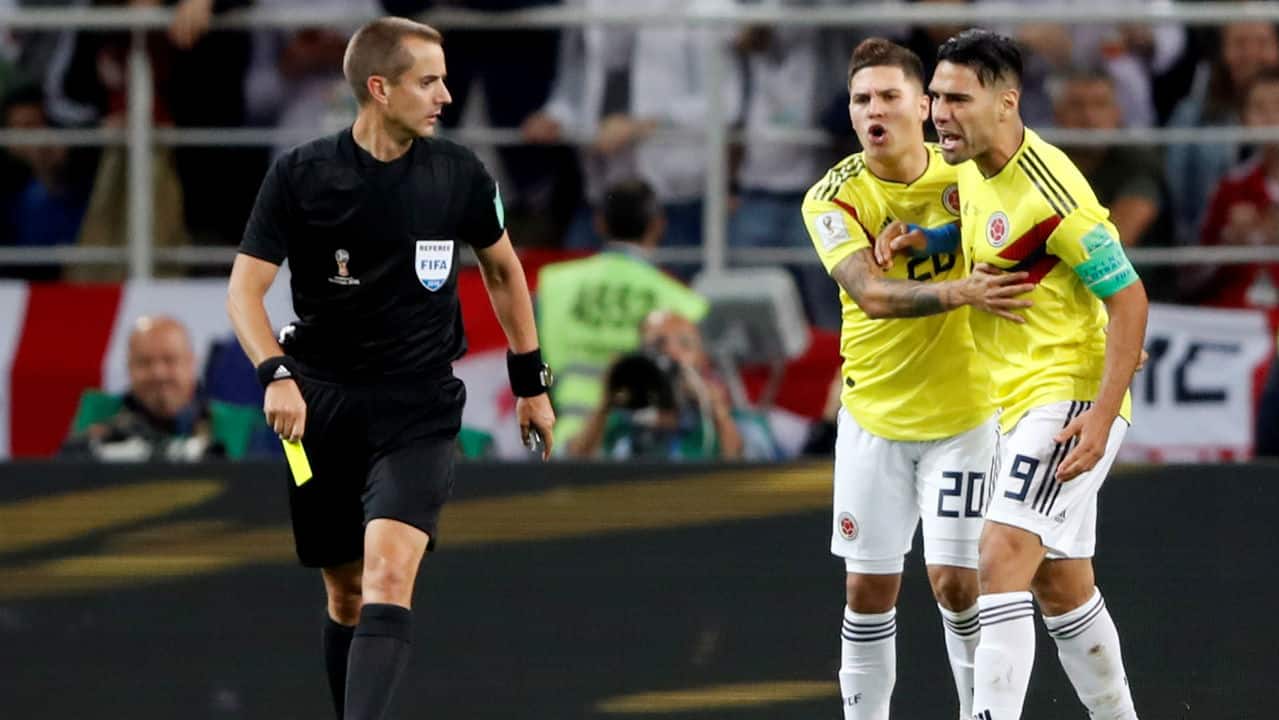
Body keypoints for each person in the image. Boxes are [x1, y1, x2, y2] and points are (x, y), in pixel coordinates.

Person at [225, 17, 555, 720]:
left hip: (418, 406)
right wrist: (275, 375)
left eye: (443, 78)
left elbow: (502, 270)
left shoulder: (459, 173)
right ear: (379, 89)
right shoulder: (301, 174)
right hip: (318, 408)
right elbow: (243, 292)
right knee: (344, 592)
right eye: (427, 80)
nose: (445, 94)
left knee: (387, 573)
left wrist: (531, 384)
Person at [895, 28, 1148, 720]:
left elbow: (1127, 298)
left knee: (999, 554)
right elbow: (997, 239)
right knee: (1060, 585)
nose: (937, 113)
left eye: (955, 98)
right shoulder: (974, 169)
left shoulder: (1052, 191)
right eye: (935, 97)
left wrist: (1100, 414)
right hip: (1015, 398)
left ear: (1005, 102)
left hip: (1064, 397)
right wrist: (934, 240)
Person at [800, 38, 1036, 720]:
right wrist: (961, 291)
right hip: (872, 420)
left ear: (923, 106)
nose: (873, 110)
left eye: (888, 96)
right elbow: (870, 294)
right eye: (860, 99)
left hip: (964, 418)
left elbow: (1039, 244)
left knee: (957, 584)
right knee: (867, 591)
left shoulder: (967, 176)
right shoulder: (831, 197)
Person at [536, 178, 708, 447]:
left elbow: (531, 374)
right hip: (641, 448)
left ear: (600, 223)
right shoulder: (683, 302)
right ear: (658, 226)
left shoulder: (553, 285)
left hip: (567, 441)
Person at [569, 309, 746, 460]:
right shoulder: (621, 421)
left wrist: (718, 411)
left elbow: (739, 467)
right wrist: (606, 401)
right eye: (657, 346)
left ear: (703, 359)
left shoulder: (716, 424)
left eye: (684, 344)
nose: (671, 354)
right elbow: (572, 466)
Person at [61, 316, 225, 462]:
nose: (158, 373)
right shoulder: (98, 423)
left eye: (169, 360)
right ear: (129, 367)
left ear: (191, 362)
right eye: (145, 362)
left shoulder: (234, 426)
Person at [1192, 66, 1279, 309]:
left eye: (1278, 106)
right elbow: (1193, 277)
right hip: (1242, 318)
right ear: (1244, 119)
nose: (1271, 117)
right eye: (1259, 108)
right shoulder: (1230, 188)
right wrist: (1227, 243)